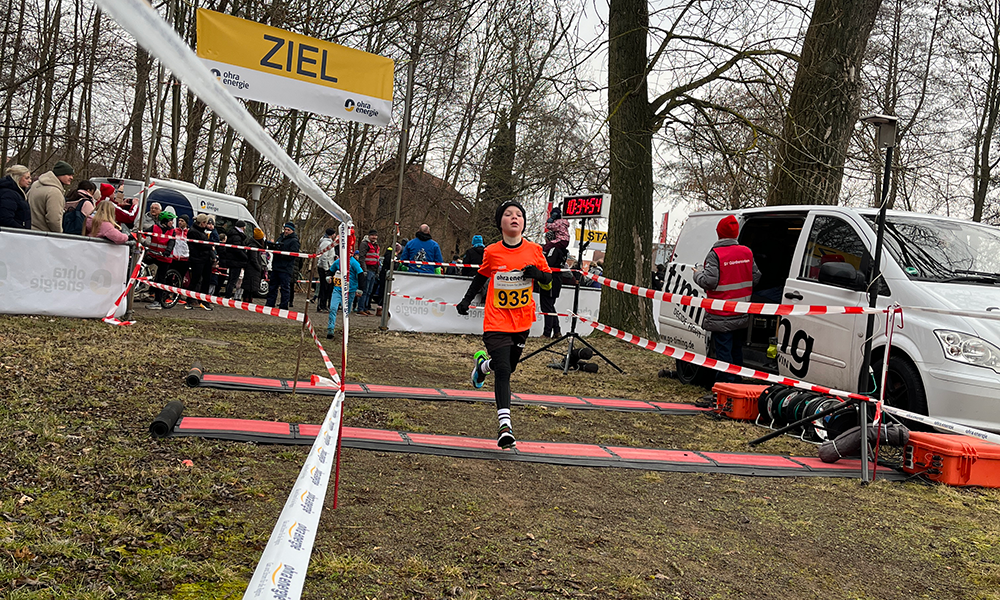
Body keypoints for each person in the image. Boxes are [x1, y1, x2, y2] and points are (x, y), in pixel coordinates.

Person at [456, 200, 553, 449]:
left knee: (508, 368)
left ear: (523, 222)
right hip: (496, 320)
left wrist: (539, 275)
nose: (514, 218)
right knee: (503, 370)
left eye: (519, 215)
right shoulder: (492, 251)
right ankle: (505, 426)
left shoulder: (534, 251)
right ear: (500, 222)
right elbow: (481, 276)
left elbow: (550, 285)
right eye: (508, 214)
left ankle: (481, 367)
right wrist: (466, 300)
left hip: (521, 321)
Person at [692, 215, 761, 396]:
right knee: (736, 349)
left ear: (719, 233)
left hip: (721, 314)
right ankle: (736, 383)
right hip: (741, 311)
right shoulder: (747, 252)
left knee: (723, 352)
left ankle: (725, 388)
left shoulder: (715, 254)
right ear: (736, 233)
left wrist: (697, 273)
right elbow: (756, 277)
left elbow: (709, 281)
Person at [145, 210, 179, 310]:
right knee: (142, 264)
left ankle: (158, 302)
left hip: (165, 258)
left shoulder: (172, 231)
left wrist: (168, 251)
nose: (172, 223)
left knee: (160, 278)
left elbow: (172, 243)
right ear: (164, 221)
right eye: (170, 221)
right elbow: (144, 233)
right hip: (153, 255)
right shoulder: (154, 228)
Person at [28, 160, 74, 232]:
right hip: (44, 235)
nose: (71, 177)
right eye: (68, 175)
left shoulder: (35, 185)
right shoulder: (54, 192)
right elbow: (54, 220)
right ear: (60, 174)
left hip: (28, 231)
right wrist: (58, 235)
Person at [325, 250, 363, 339]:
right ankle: (330, 329)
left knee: (346, 311)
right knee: (333, 308)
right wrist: (328, 276)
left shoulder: (354, 263)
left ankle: (345, 329)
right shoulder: (338, 261)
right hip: (338, 289)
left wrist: (360, 289)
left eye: (350, 253)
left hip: (350, 291)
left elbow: (361, 274)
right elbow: (331, 270)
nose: (348, 254)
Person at [265, 222, 300, 310]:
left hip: (285, 268)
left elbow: (293, 255)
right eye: (285, 229)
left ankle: (284, 305)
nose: (286, 231)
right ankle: (270, 303)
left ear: (292, 231)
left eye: (288, 230)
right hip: (276, 266)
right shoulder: (280, 238)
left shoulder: (294, 241)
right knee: (272, 286)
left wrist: (281, 253)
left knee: (285, 288)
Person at [185, 213, 215, 311]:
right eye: (206, 223)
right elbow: (199, 245)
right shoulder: (193, 232)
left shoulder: (202, 232)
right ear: (202, 223)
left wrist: (212, 255)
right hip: (197, 259)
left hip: (205, 259)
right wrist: (210, 246)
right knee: (195, 280)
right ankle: (189, 300)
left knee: (206, 280)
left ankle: (203, 300)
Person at [540, 238, 568, 338]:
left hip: (551, 280)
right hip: (557, 279)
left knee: (547, 307)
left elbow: (548, 263)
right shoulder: (562, 250)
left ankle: (547, 333)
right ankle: (557, 331)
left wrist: (542, 256)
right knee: (550, 306)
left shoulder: (553, 249)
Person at [221, 220, 249, 299]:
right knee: (233, 280)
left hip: (232, 260)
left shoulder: (232, 234)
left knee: (231, 279)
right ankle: (228, 296)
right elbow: (237, 249)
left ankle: (228, 295)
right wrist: (245, 256)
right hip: (236, 261)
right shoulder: (237, 236)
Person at [0, 164, 32, 229]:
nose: (30, 181)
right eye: (27, 178)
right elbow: (5, 219)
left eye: (30, 178)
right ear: (18, 177)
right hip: (13, 235)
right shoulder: (9, 194)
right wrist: (21, 230)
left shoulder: (16, 193)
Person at [241, 227, 267, 303]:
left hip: (252, 268)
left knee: (251, 286)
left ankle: (248, 299)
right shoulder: (254, 246)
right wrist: (259, 267)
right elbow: (253, 258)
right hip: (252, 269)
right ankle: (247, 300)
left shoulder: (254, 245)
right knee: (250, 286)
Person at [358, 228, 381, 315]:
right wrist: (364, 270)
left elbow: (376, 258)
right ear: (369, 236)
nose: (374, 237)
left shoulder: (375, 245)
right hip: (368, 269)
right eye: (372, 235)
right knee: (364, 290)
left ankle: (366, 307)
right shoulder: (365, 244)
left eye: (375, 235)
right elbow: (362, 257)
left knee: (369, 291)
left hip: (374, 270)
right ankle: (360, 308)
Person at [315, 228, 337, 312]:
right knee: (324, 287)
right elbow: (324, 256)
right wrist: (326, 269)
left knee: (328, 287)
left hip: (328, 266)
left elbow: (329, 255)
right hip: (325, 267)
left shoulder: (329, 242)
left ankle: (324, 305)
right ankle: (321, 305)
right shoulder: (326, 243)